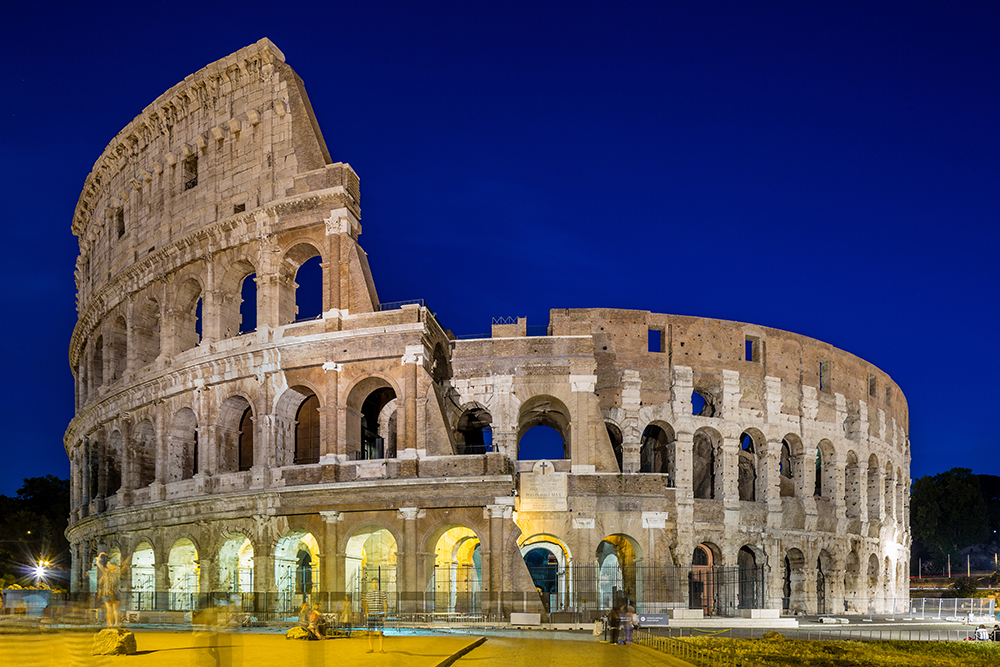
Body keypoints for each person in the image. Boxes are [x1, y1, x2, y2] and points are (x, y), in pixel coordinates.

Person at [95, 552, 122, 628]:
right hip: (113, 592)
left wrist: (100, 555)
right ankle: (115, 623)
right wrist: (116, 554)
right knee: (113, 609)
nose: (108, 565)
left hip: (108, 592)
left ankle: (110, 623)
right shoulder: (116, 572)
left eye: (109, 564)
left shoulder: (107, 572)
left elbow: (98, 564)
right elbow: (99, 564)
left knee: (110, 609)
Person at [363, 577, 387, 653]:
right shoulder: (368, 593)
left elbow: (385, 603)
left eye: (376, 583)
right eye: (373, 583)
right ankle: (371, 648)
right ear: (371, 584)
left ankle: (381, 648)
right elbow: (366, 604)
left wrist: (385, 614)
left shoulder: (382, 593)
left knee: (380, 632)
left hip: (379, 615)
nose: (375, 584)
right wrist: (366, 613)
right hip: (371, 615)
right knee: (370, 632)